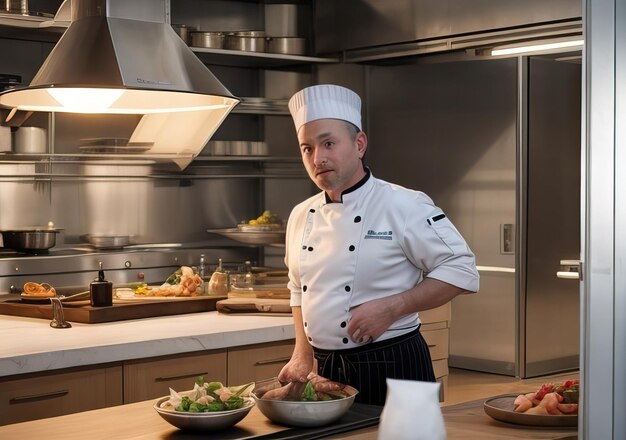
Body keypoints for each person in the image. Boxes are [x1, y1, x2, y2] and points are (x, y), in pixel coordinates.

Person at [278, 84, 479, 405]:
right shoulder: (301, 214)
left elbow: (462, 269)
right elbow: (298, 288)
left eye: (329, 143)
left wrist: (393, 308)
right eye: (307, 148)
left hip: (395, 363)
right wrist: (302, 352)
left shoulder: (405, 204)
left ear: (359, 144)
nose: (318, 157)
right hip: (326, 372)